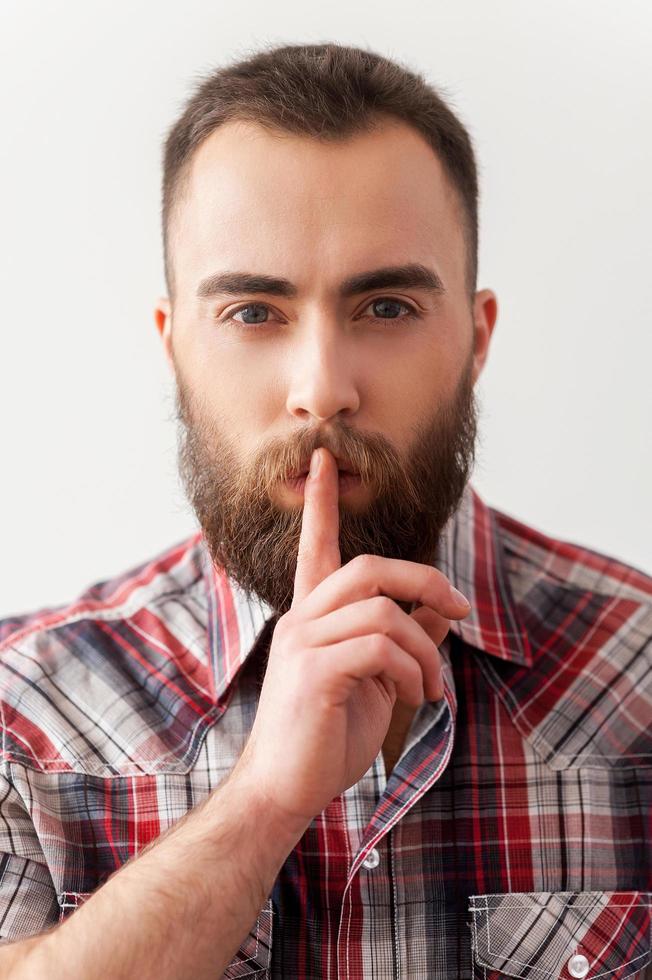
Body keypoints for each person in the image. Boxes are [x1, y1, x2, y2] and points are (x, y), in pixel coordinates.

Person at [0, 40, 650, 980]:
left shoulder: (640, 683)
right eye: (254, 313)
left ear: (475, 339)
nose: (322, 389)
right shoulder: (24, 719)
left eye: (385, 308)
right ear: (174, 345)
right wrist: (262, 801)